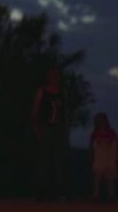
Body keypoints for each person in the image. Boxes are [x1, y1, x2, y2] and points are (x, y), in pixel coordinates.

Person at [31, 67, 68, 200]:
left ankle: (59, 192)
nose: (54, 78)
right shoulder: (42, 91)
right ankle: (42, 191)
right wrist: (36, 128)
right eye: (52, 75)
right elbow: (35, 111)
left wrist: (65, 129)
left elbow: (65, 111)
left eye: (56, 75)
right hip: (46, 127)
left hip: (59, 129)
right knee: (44, 160)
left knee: (58, 160)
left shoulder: (62, 92)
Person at [90, 112, 118, 201]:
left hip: (109, 156)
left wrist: (115, 155)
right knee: (97, 176)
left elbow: (115, 144)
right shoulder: (95, 133)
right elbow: (92, 145)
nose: (100, 122)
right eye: (98, 121)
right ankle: (96, 195)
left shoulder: (111, 132)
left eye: (101, 120)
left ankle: (111, 196)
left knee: (109, 177)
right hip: (99, 157)